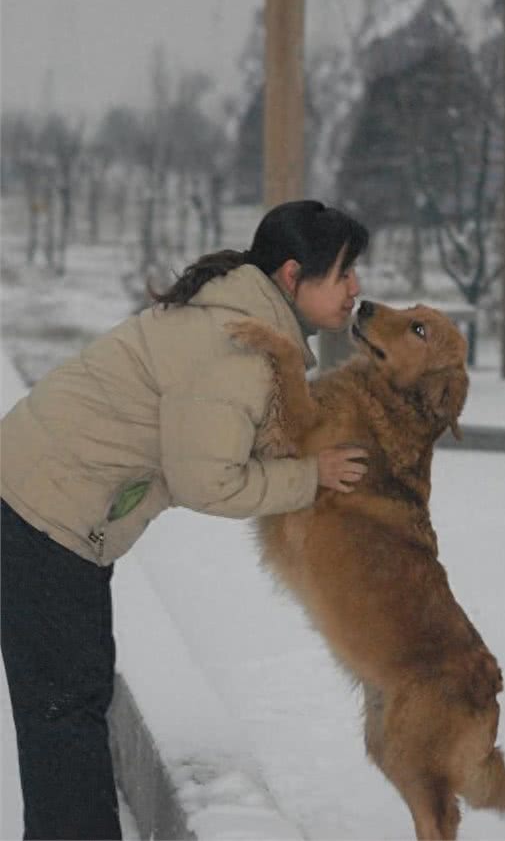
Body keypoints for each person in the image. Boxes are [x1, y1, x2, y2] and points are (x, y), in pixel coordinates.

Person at [1, 199, 370, 841]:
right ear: (292, 276)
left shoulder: (237, 319)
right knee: (66, 714)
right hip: (41, 516)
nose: (355, 289)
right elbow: (209, 481)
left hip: (40, 505)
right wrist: (311, 478)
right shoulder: (233, 345)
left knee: (69, 706)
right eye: (342, 274)